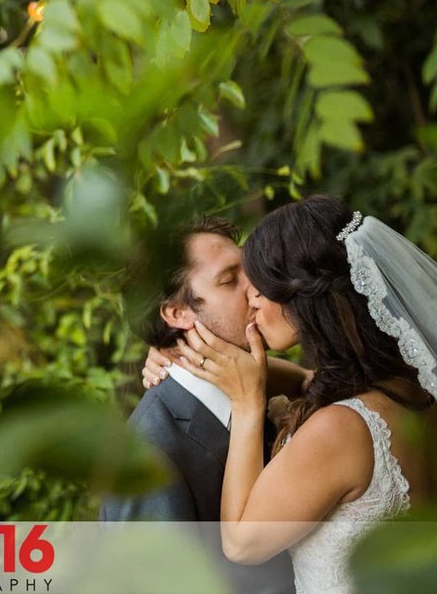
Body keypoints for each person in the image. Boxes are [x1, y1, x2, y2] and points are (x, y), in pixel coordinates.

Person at [171, 194, 437, 594]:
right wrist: (178, 349)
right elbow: (305, 379)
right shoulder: (424, 393)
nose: (251, 304)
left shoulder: (340, 429)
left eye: (259, 290)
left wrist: (246, 404)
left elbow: (240, 543)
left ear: (302, 298)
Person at [100, 217, 296, 594]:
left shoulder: (261, 387)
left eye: (248, 270)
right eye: (229, 280)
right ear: (177, 314)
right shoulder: (147, 455)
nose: (255, 289)